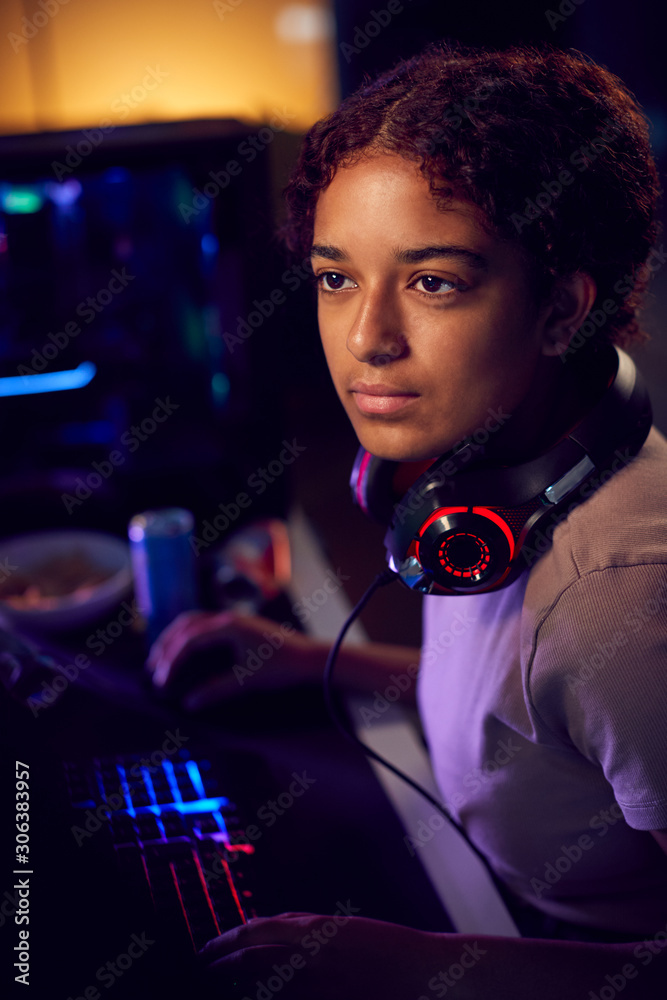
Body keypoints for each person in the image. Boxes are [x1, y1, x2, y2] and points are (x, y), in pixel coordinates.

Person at [146, 41, 667, 998]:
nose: (364, 339)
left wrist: (423, 966)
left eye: (433, 281)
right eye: (335, 277)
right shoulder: (480, 481)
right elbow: (531, 713)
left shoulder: (619, 604)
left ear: (560, 312)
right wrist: (306, 661)